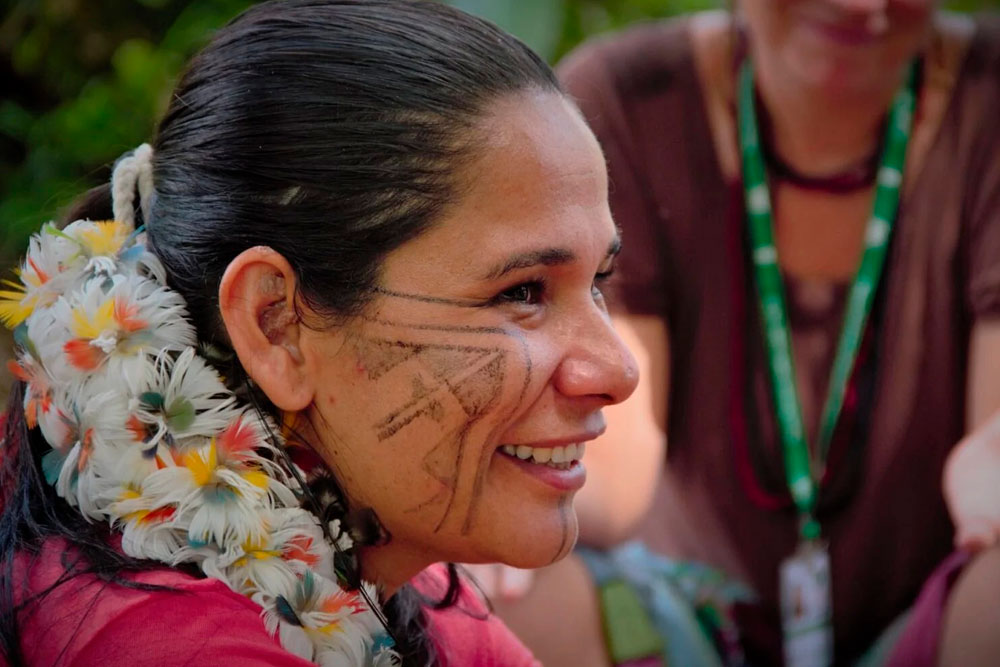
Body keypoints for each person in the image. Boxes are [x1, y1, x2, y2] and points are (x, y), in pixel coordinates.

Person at [0, 1, 639, 665]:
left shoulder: (378, 564)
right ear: (276, 324)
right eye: (522, 292)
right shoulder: (177, 645)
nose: (617, 370)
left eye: (599, 280)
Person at [489, 1, 1000, 666]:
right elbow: (619, 449)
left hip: (934, 615)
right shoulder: (626, 97)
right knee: (491, 585)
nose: (859, 5)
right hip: (679, 612)